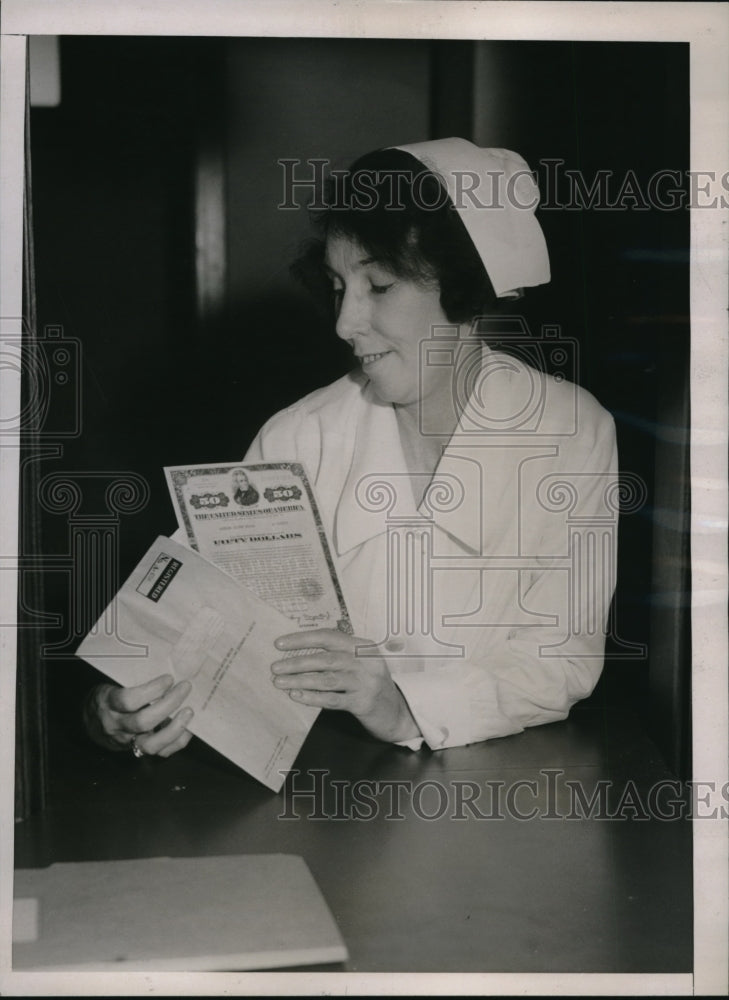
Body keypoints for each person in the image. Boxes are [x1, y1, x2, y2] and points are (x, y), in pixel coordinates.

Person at [84, 137, 618, 758]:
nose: (344, 323)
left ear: (466, 291)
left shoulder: (569, 430)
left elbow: (561, 664)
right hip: (323, 788)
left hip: (499, 786)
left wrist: (398, 706)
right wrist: (116, 711)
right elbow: (175, 631)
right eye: (339, 287)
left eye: (380, 286)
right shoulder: (297, 437)